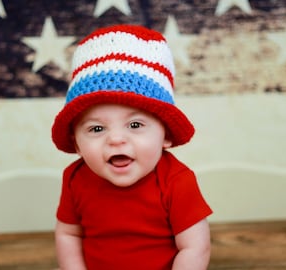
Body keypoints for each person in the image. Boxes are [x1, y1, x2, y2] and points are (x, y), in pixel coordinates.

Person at [51, 24, 213, 270]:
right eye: (96, 129)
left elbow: (195, 247)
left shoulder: (177, 181)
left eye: (135, 125)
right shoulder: (75, 178)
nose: (116, 139)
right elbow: (68, 234)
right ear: (76, 143)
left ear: (166, 134)